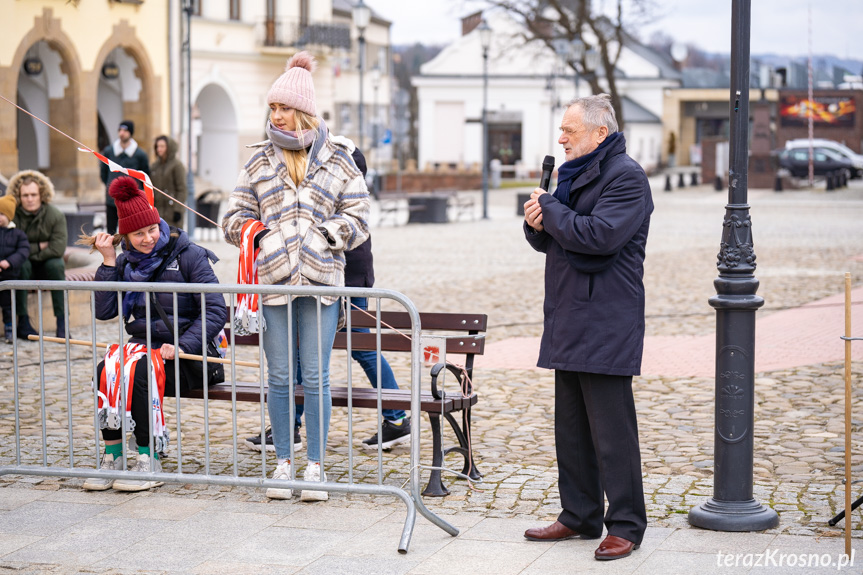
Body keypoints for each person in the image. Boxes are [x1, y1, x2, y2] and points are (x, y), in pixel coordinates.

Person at [223, 51, 370, 502]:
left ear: (302, 109)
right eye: (272, 108)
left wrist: (329, 234)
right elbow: (232, 216)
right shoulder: (259, 161)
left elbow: (360, 216)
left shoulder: (340, 160)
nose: (276, 115)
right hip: (272, 282)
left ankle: (315, 468)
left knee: (317, 376)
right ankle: (284, 461)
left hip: (322, 283)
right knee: (282, 376)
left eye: (283, 107)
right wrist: (260, 234)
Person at [521, 94, 652, 561]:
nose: (561, 138)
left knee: (613, 431)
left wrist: (551, 212)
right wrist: (537, 223)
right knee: (571, 428)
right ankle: (578, 514)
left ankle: (626, 524)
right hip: (568, 314)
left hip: (606, 321)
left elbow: (599, 237)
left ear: (600, 133)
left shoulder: (627, 177)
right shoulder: (572, 175)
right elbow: (561, 240)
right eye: (562, 130)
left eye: (570, 131)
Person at [244, 148, 409, 454]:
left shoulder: (344, 205)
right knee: (298, 355)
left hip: (341, 291)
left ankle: (397, 418)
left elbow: (357, 259)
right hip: (329, 288)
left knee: (363, 350)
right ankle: (290, 426)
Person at [80, 176, 227, 492]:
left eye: (152, 229)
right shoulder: (124, 263)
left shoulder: (189, 255)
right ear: (126, 236)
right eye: (138, 234)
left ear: (159, 223)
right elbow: (105, 312)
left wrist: (181, 343)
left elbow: (216, 310)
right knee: (106, 369)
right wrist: (107, 263)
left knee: (142, 372)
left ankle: (149, 457)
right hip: (146, 349)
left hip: (192, 355)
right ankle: (114, 455)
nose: (147, 238)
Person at [7, 170, 68, 339]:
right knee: (21, 265)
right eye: (25, 195)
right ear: (19, 196)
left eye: (33, 194)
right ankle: (23, 322)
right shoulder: (12, 217)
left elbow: (57, 248)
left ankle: (62, 322)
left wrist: (26, 250)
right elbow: (10, 247)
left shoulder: (55, 215)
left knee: (57, 265)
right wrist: (39, 247)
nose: (30, 199)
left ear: (42, 194)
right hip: (23, 266)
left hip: (47, 265)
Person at [100, 120, 150, 234]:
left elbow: (145, 176)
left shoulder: (139, 154)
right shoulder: (109, 151)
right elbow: (103, 173)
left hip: (131, 199)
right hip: (112, 198)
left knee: (132, 229)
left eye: (125, 130)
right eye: (120, 130)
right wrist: (111, 186)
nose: (122, 133)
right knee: (111, 230)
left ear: (130, 133)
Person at [0, 194, 30, 343]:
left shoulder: (18, 234)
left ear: (9, 216)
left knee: (8, 306)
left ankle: (10, 329)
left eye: (2, 214)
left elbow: (23, 251)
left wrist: (9, 262)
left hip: (9, 275)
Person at [151, 135, 188, 229]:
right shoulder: (154, 166)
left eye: (162, 146)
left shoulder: (177, 165)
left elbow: (182, 189)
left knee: (173, 238)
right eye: (157, 146)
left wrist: (178, 210)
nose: (159, 149)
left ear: (169, 148)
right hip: (158, 211)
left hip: (172, 212)